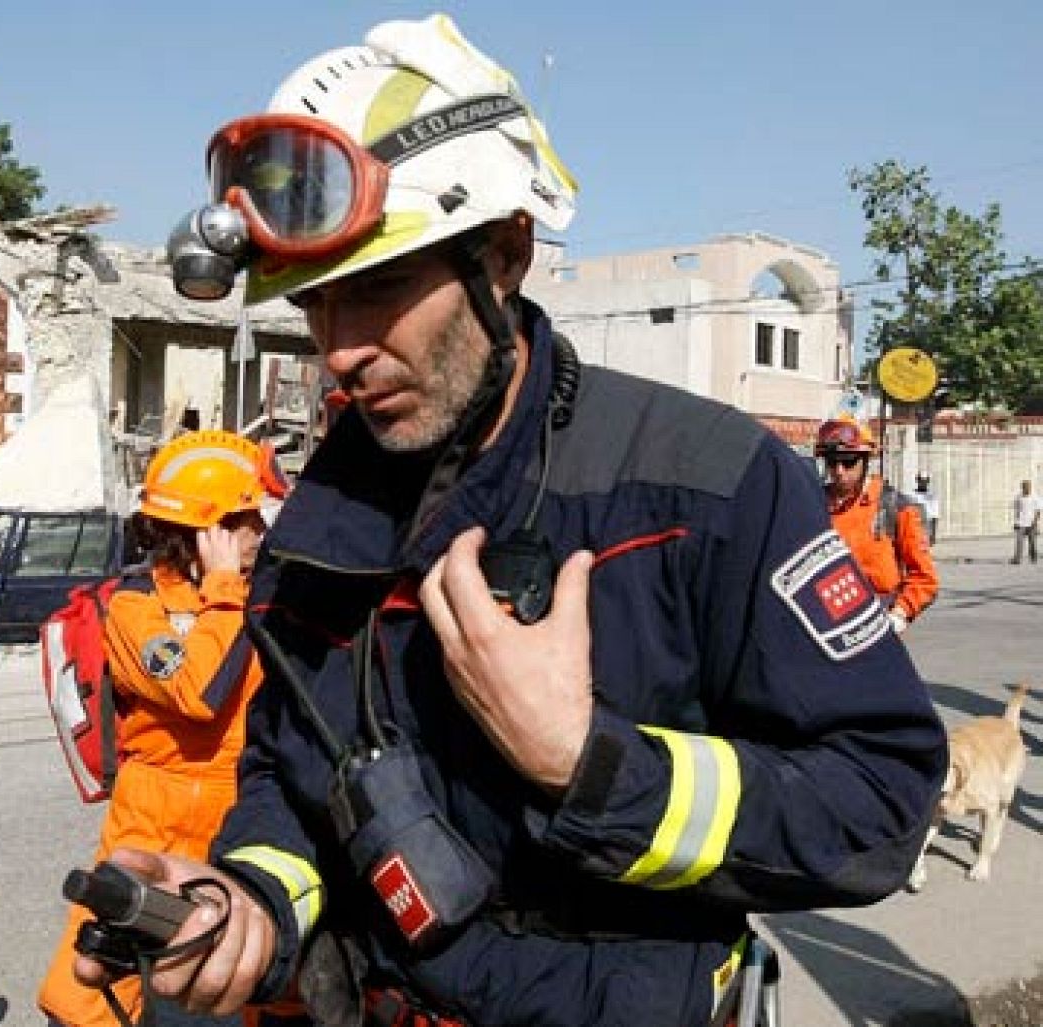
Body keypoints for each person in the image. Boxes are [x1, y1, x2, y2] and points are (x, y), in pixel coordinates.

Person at [77, 15, 946, 1026]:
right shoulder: (322, 522)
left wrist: (588, 762)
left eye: (380, 289)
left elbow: (879, 799)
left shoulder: (704, 486)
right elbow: (284, 772)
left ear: (504, 254)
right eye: (316, 304)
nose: (340, 349)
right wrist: (252, 903)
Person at [38, 430, 289, 1027]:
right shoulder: (136, 607)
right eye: (250, 516)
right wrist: (225, 589)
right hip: (153, 821)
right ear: (214, 530)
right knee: (90, 994)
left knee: (255, 989)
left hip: (238, 812)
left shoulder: (260, 595)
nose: (262, 528)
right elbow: (198, 690)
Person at [815, 417, 939, 633]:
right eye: (832, 462)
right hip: (824, 622)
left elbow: (925, 578)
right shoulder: (814, 504)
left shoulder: (895, 507)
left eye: (849, 461)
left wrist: (899, 614)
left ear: (866, 460)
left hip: (877, 621)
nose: (839, 471)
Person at [1013, 480, 1040, 564]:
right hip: (1021, 523)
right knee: (1019, 541)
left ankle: (1033, 558)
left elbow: (1038, 510)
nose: (1027, 488)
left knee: (1032, 542)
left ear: (1030, 487)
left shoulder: (1035, 497)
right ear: (1022, 487)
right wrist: (1016, 522)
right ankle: (1017, 559)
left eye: (1028, 486)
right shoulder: (1018, 497)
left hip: (1031, 523)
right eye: (1024, 487)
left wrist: (1035, 521)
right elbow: (1017, 510)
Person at [913, 473, 939, 545]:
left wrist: (933, 534)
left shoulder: (932, 496)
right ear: (917, 481)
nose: (923, 483)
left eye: (925, 481)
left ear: (928, 481)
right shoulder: (912, 495)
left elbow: (934, 517)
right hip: (915, 525)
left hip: (927, 526)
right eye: (921, 480)